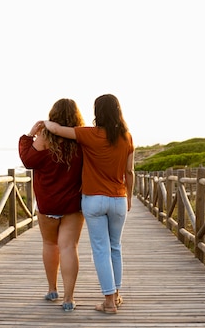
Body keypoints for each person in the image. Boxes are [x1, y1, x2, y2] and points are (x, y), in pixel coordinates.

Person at [43, 93, 135, 315]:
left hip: (93, 200)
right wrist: (129, 197)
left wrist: (43, 124)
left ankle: (109, 302)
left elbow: (56, 130)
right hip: (118, 199)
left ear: (97, 112)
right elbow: (129, 171)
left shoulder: (89, 134)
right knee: (115, 248)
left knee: (101, 250)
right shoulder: (127, 137)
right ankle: (117, 294)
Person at [18, 98, 85, 312]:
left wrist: (29, 135)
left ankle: (52, 289)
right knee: (69, 247)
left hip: (47, 204)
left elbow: (28, 160)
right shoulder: (80, 136)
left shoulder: (45, 136)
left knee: (50, 244)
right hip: (73, 203)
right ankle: (68, 298)